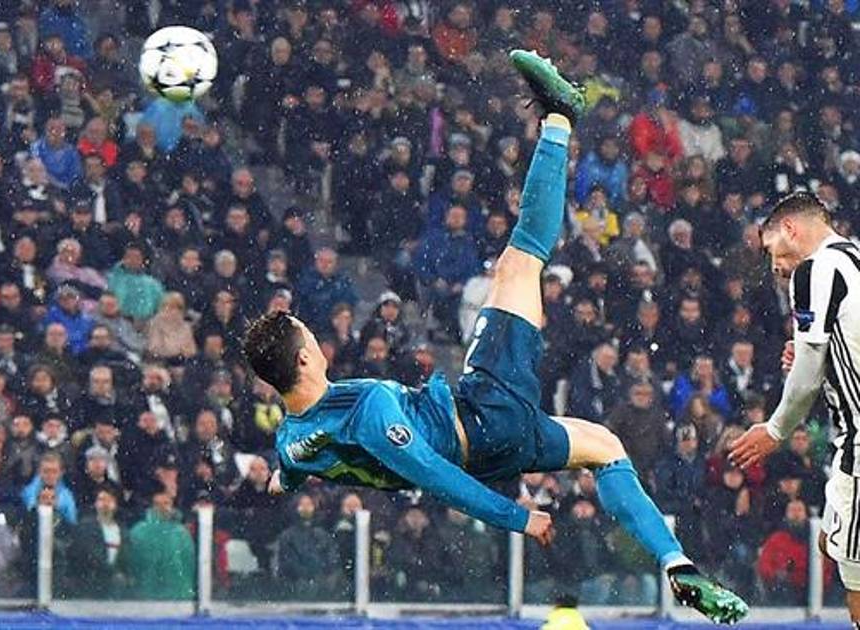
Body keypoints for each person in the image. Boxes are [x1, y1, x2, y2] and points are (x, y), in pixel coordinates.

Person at [242, 53, 746, 624]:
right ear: (304, 358)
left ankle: (677, 562)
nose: (318, 339)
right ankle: (560, 117)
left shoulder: (292, 441)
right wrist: (518, 518)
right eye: (309, 334)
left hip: (492, 444)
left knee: (605, 447)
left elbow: (291, 473)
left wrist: (279, 483)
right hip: (484, 416)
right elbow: (432, 475)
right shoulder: (368, 408)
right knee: (520, 261)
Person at [729, 191, 860, 622]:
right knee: (829, 542)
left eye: (772, 251)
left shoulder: (814, 270)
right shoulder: (854, 257)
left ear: (789, 229)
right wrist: (818, 358)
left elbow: (805, 373)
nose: (775, 266)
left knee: (854, 579)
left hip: (858, 444)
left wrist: (776, 430)